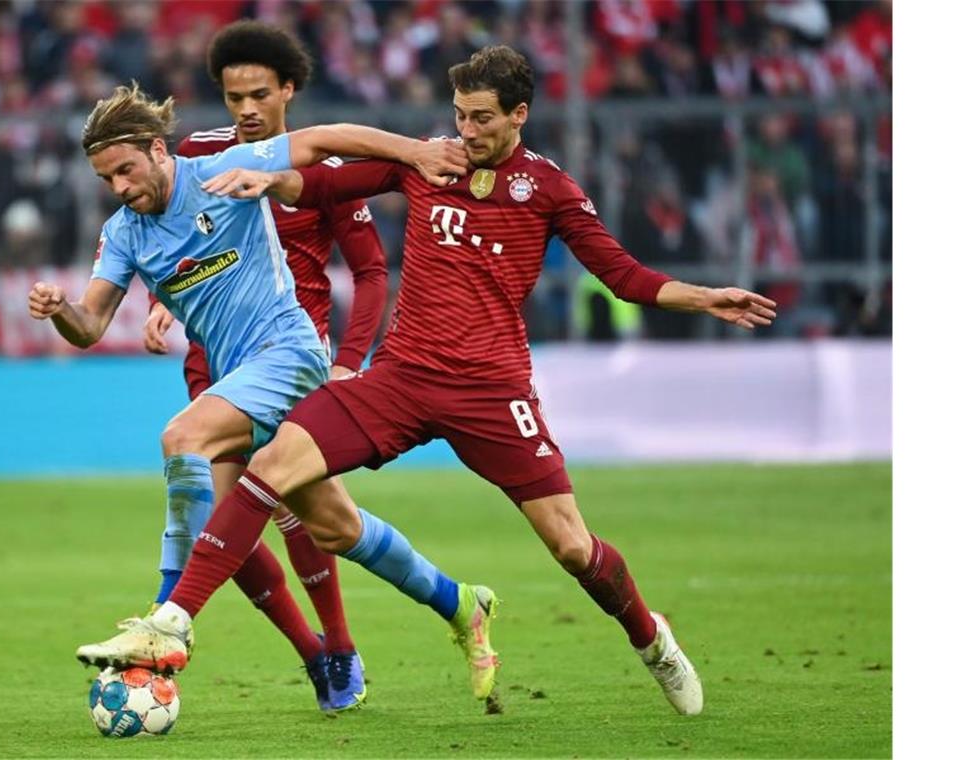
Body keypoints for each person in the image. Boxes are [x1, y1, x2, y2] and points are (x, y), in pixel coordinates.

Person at [76, 47, 777, 715]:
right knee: (267, 468)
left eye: (481, 118)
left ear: (519, 115)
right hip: (403, 378)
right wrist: (274, 181)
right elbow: (326, 182)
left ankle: (650, 640)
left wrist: (703, 295)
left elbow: (624, 277)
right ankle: (173, 622)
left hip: (492, 391)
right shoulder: (428, 164)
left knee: (571, 546)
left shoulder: (549, 189)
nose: (465, 132)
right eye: (459, 115)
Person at [28, 82, 472, 705]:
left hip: (289, 356)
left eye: (126, 170)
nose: (121, 187)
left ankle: (164, 614)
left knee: (182, 437)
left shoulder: (221, 172)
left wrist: (417, 152)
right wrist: (60, 311)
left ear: (158, 150)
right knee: (337, 529)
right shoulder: (123, 232)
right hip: (237, 379)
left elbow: (324, 140)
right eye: (107, 179)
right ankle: (462, 605)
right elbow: (91, 325)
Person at [139, 22, 390, 712]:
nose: (246, 110)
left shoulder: (319, 174)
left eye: (258, 95)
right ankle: (313, 653)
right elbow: (167, 241)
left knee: (290, 501)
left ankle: (339, 645)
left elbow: (371, 274)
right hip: (213, 357)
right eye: (233, 97)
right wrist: (163, 302)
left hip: (291, 356)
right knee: (224, 514)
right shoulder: (198, 156)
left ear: (287, 91)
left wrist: (347, 363)